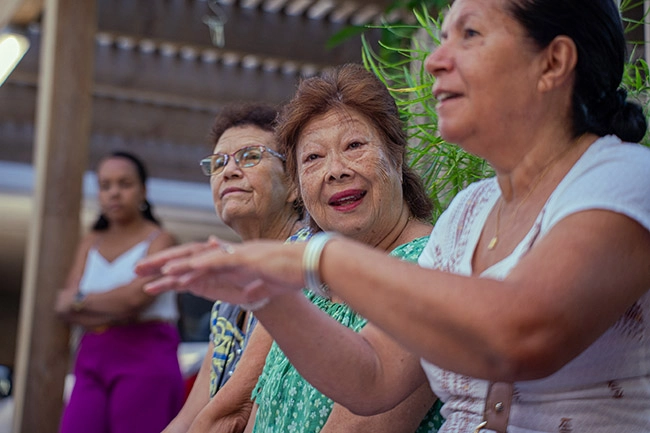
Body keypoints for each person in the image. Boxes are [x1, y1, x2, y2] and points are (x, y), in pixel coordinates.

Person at [138, 0, 650, 431]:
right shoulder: (471, 210)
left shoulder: (624, 178)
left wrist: (318, 259)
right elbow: (375, 377)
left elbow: (520, 334)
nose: (434, 61)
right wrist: (264, 293)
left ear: (553, 62)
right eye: (313, 158)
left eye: (469, 34)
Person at [142, 65, 444, 433]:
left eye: (354, 146)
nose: (336, 170)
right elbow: (237, 411)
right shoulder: (303, 272)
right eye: (313, 158)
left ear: (396, 158)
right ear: (298, 186)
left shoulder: (435, 264)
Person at [161, 102, 307, 433]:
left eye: (250, 156)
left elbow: (232, 413)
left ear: (295, 183)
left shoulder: (307, 260)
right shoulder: (227, 298)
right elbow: (194, 413)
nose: (228, 171)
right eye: (217, 163)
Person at [55, 151, 184, 433]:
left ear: (143, 190)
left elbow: (136, 298)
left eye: (124, 184)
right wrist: (113, 305)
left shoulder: (162, 240)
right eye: (105, 185)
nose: (114, 193)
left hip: (145, 354)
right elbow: (64, 306)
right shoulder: (90, 241)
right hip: (92, 356)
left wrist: (82, 301)